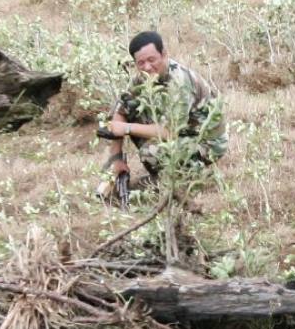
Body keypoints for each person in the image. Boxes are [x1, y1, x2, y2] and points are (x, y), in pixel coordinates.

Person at [97, 30, 227, 202]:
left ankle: (187, 176)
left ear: (164, 54)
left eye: (152, 60)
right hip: (178, 132)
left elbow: (170, 132)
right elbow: (119, 113)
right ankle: (116, 176)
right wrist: (116, 159)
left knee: (151, 152)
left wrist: (127, 128)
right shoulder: (141, 79)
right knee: (123, 115)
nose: (147, 67)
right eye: (141, 63)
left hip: (204, 142)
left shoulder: (179, 83)